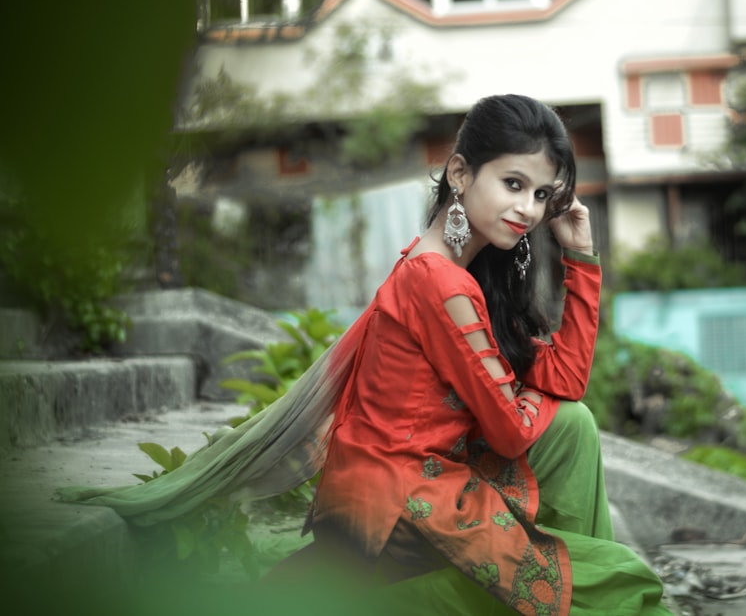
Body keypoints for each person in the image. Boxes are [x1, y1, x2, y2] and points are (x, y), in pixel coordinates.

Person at [60, 95, 670, 615]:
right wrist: (529, 398)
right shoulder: (443, 283)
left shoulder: (460, 268)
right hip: (401, 511)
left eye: (541, 194)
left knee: (574, 426)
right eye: (513, 184)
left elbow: (566, 377)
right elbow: (511, 433)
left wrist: (582, 258)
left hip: (411, 486)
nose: (529, 210)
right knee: (624, 581)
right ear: (460, 173)